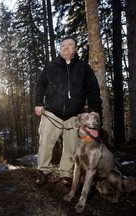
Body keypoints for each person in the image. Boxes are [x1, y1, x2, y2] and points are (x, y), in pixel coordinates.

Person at [34, 36, 102, 186]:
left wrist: (94, 109)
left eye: (70, 45)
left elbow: (93, 89)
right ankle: (42, 171)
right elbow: (40, 84)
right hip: (51, 114)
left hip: (74, 116)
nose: (65, 47)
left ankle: (66, 174)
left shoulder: (83, 67)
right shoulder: (51, 66)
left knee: (71, 146)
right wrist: (38, 104)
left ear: (75, 49)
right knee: (45, 143)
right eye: (63, 45)